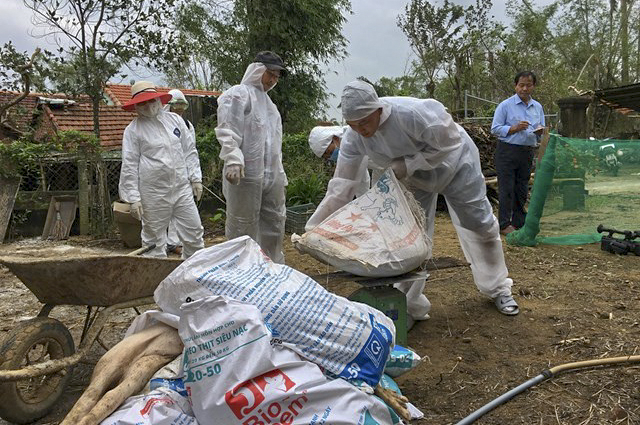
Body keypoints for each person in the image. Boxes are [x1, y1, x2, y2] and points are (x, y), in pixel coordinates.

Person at [307, 80, 519, 316]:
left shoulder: (412, 114)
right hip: (414, 179)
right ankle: (409, 305)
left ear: (378, 109)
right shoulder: (354, 138)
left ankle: (499, 289)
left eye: (365, 122)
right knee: (409, 235)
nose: (361, 130)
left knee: (478, 223)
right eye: (353, 125)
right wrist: (316, 227)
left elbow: (450, 143)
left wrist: (409, 164)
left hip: (457, 165)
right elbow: (342, 186)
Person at [214, 51, 287, 263]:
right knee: (242, 226)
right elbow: (228, 128)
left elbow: (274, 146)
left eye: (276, 76)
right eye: (270, 74)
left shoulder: (271, 107)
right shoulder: (238, 94)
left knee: (274, 222)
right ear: (258, 71)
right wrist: (233, 158)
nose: (273, 80)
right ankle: (240, 270)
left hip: (271, 177)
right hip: (246, 175)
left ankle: (272, 267)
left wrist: (279, 174)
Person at [119, 81, 204, 258]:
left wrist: (195, 178)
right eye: (143, 102)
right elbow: (129, 165)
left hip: (181, 188)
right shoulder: (133, 130)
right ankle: (156, 279)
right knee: (153, 241)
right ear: (136, 105)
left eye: (151, 100)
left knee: (194, 234)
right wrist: (133, 198)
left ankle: (191, 276)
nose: (149, 105)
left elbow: (189, 150)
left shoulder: (175, 121)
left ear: (159, 100)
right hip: (153, 194)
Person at [491, 71, 545, 235]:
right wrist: (514, 128)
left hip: (527, 152)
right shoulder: (505, 105)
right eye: (521, 85)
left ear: (533, 86)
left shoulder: (537, 107)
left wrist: (539, 131)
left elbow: (542, 127)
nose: (524, 88)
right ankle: (504, 224)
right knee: (506, 188)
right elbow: (495, 129)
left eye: (528, 85)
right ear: (516, 86)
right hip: (507, 151)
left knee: (521, 188)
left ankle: (519, 222)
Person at [163, 89, 202, 256]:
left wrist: (195, 178)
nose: (179, 108)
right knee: (167, 212)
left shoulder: (187, 125)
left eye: (182, 105)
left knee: (184, 212)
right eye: (176, 104)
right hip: (163, 177)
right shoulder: (161, 124)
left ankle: (179, 243)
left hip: (182, 176)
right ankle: (170, 243)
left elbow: (190, 151)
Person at [308, 125, 371, 197]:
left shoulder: (353, 138)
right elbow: (361, 179)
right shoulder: (347, 155)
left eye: (330, 152)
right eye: (328, 157)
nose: (331, 157)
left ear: (335, 138)